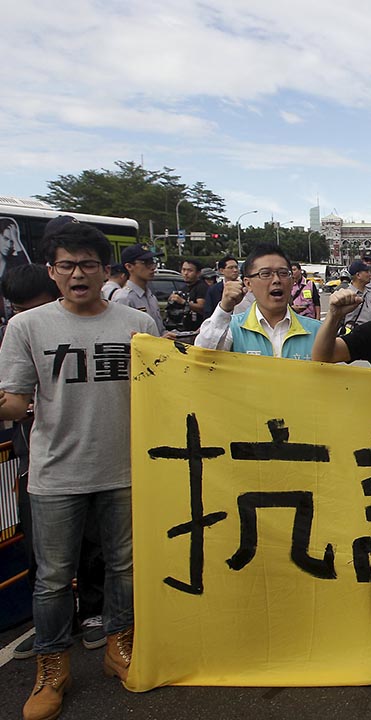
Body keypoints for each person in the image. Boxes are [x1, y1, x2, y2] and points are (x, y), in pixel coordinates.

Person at [0, 222, 159, 720]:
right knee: (51, 580)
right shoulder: (27, 327)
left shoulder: (137, 324)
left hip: (127, 470)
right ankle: (52, 668)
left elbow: (163, 390)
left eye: (88, 264)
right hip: (55, 475)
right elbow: (16, 403)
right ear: (52, 271)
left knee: (126, 569)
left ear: (104, 270)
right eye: (66, 265)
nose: (78, 274)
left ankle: (120, 647)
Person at [1, 264, 109, 662]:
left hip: (106, 462)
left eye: (34, 306)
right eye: (16, 308)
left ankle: (98, 617)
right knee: (48, 563)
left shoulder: (127, 326)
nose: (25, 315)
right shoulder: (23, 331)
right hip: (44, 464)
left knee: (101, 549)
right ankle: (51, 642)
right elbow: (13, 397)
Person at [195, 244, 322, 360]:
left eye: (283, 273)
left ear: (292, 281)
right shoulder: (232, 329)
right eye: (265, 274)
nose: (276, 280)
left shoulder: (317, 331)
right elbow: (202, 356)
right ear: (248, 284)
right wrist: (224, 309)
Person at [112, 243, 171, 338]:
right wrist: (158, 341)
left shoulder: (150, 296)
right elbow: (122, 338)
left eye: (152, 262)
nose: (152, 267)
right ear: (129, 266)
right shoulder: (124, 298)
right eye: (146, 263)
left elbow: (159, 330)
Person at [166, 258, 208, 336]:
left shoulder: (201, 287)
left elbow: (202, 307)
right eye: (183, 270)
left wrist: (183, 302)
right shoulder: (183, 288)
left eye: (190, 270)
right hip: (183, 330)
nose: (185, 273)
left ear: (198, 273)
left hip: (197, 331)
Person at [338, 259, 371, 331]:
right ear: (358, 275)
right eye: (367, 272)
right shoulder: (346, 294)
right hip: (355, 335)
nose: (370, 274)